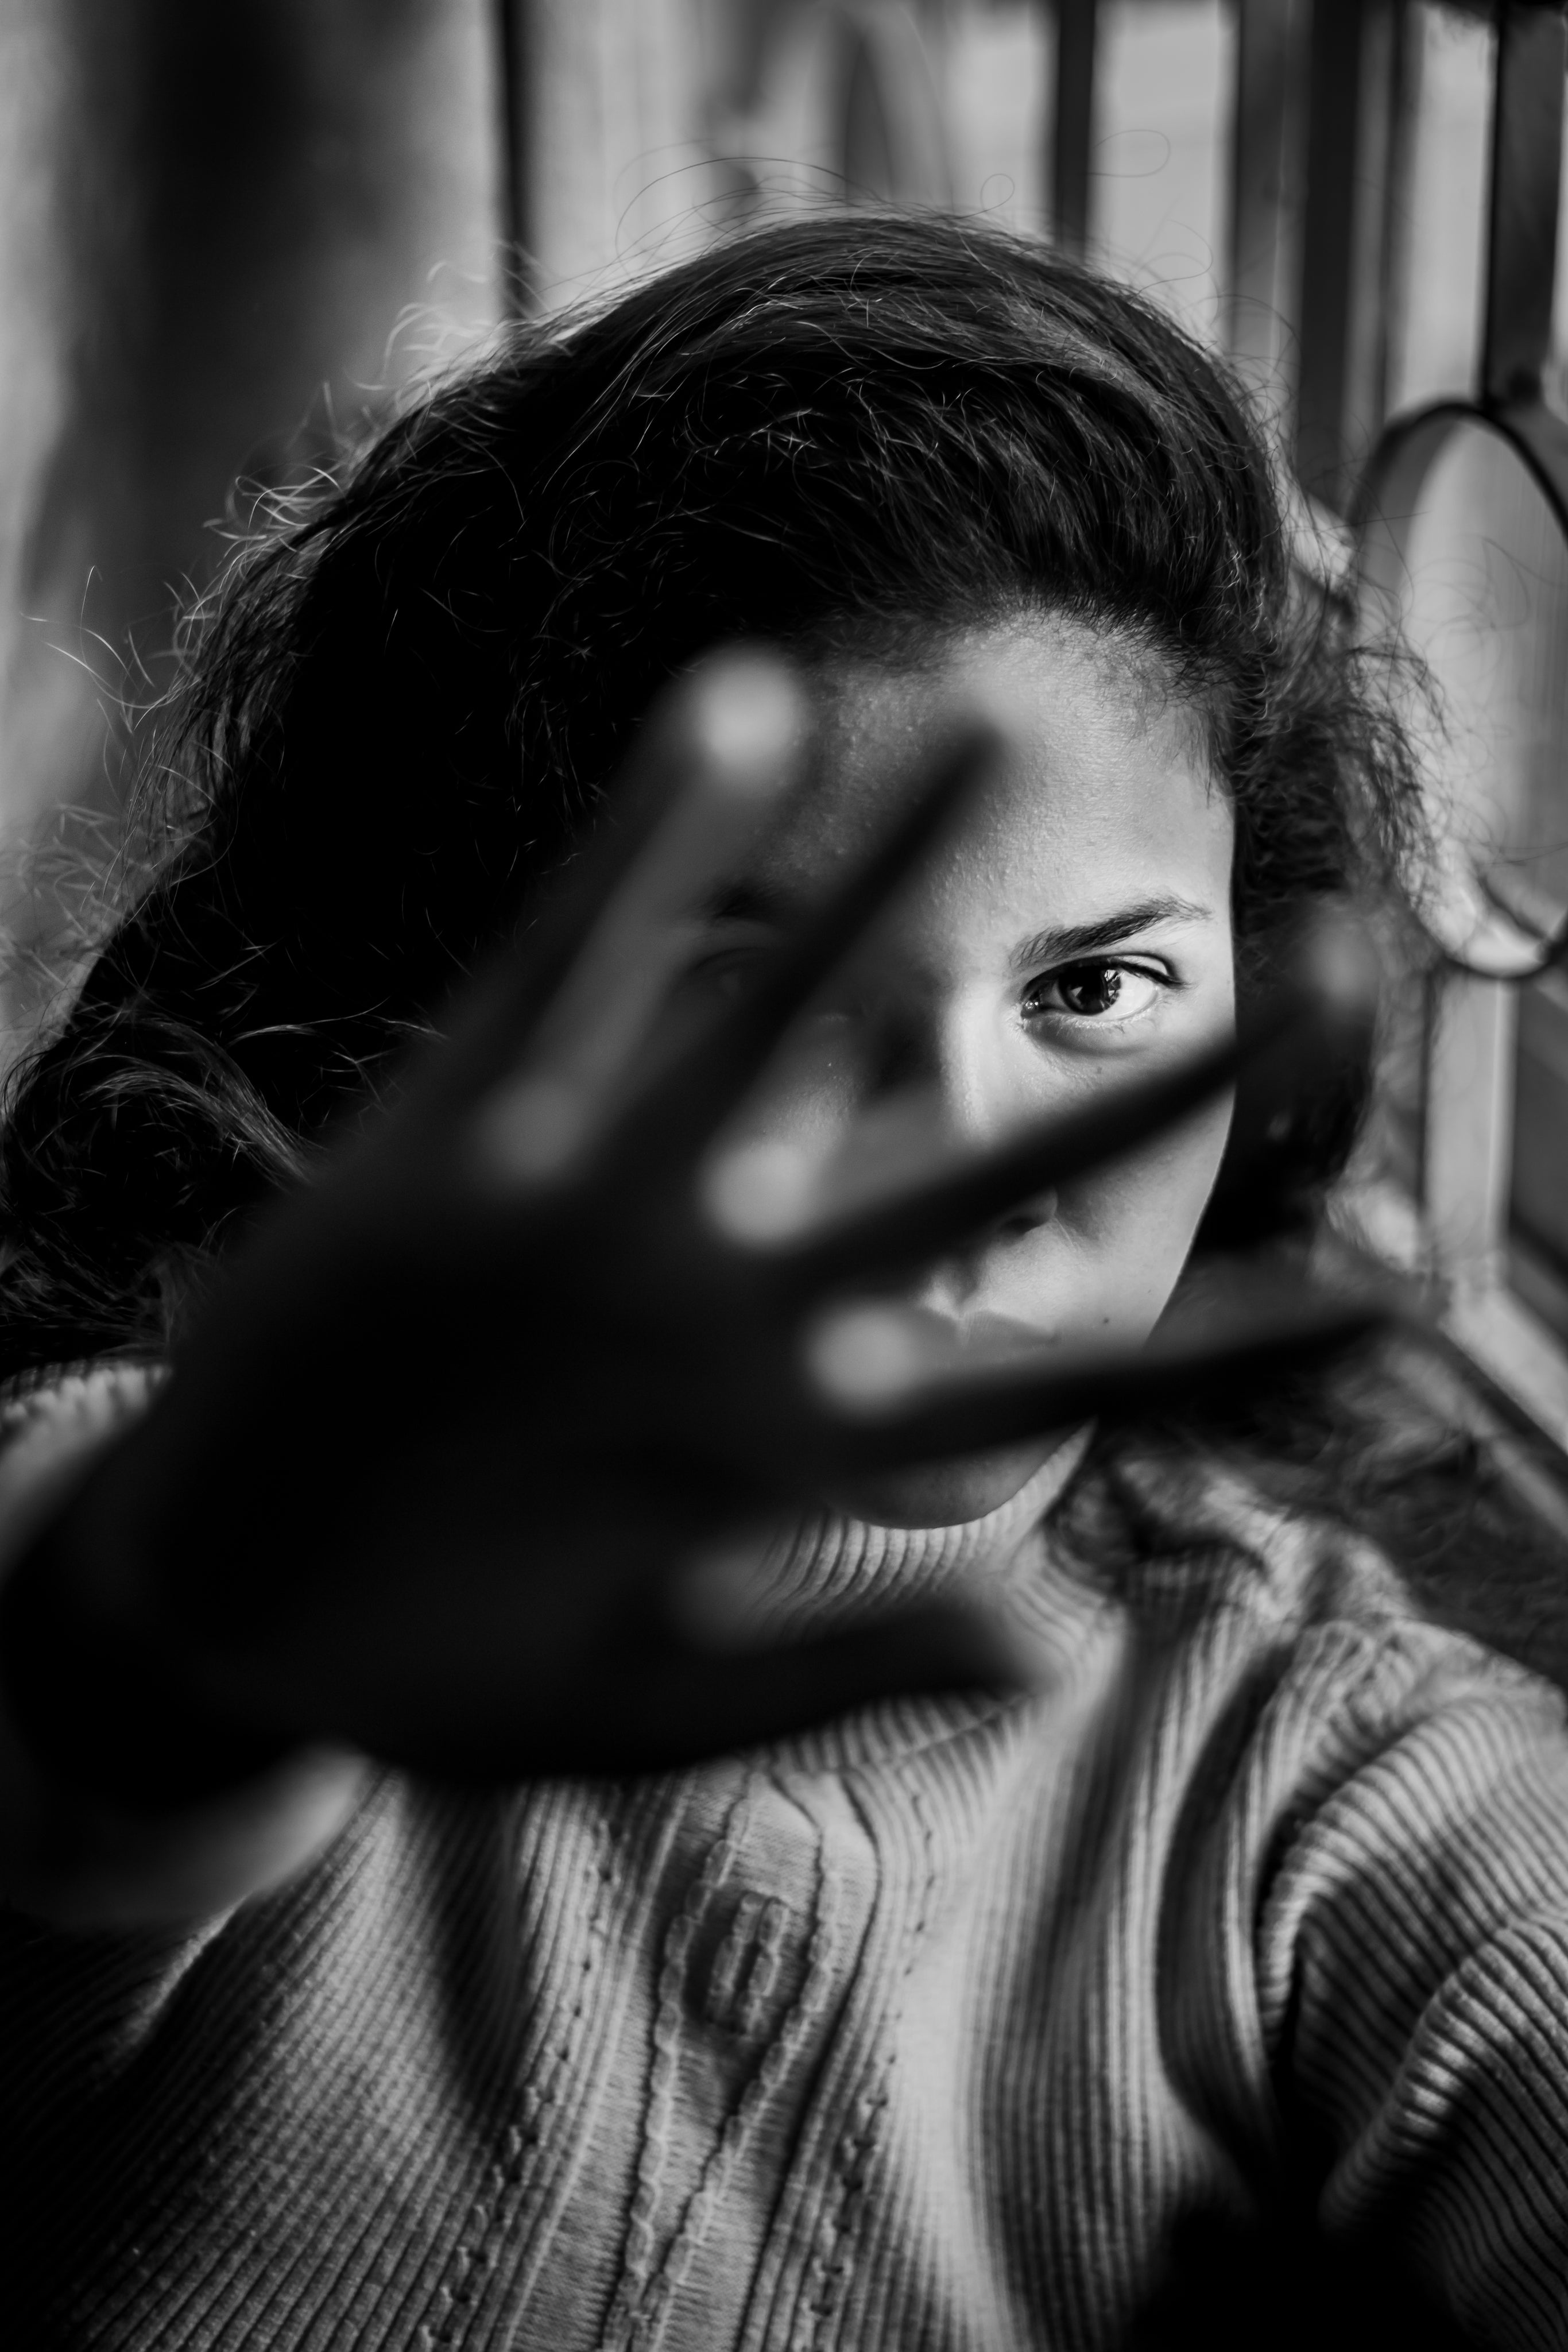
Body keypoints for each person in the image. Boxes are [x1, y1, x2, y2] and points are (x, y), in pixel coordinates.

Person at [0, 211, 1562, 2351]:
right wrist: (168, 1664)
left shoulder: (1340, 1812)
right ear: (473, 1012)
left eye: (1100, 986)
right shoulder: (256, 1533)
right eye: (765, 986)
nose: (964, 1157)